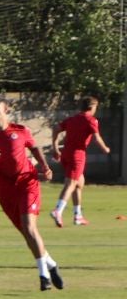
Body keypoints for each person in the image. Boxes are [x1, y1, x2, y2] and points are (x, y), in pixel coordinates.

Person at [0, 97, 63, 290]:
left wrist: (45, 167)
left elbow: (34, 147)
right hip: (4, 191)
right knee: (27, 232)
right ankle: (51, 264)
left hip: (26, 183)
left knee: (29, 227)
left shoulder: (20, 131)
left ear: (6, 110)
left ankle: (43, 276)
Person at [50, 95, 108, 227]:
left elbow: (55, 129)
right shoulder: (91, 120)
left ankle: (78, 216)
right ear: (92, 107)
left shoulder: (72, 119)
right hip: (78, 155)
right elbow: (96, 137)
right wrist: (105, 149)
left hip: (66, 154)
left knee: (79, 183)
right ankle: (58, 210)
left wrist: (55, 148)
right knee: (70, 184)